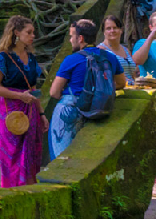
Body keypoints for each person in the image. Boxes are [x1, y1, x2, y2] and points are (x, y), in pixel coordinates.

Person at [44, 19, 128, 160]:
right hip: (99, 110)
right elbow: (121, 83)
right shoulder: (110, 57)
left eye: (72, 36)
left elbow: (53, 92)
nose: (71, 40)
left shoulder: (72, 59)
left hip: (71, 109)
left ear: (80, 38)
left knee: (61, 157)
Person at [0, 16, 44, 187]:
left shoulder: (31, 58)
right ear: (16, 33)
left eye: (33, 32)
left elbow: (33, 88)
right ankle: (12, 189)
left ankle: (29, 188)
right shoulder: (4, 58)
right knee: (13, 153)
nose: (33, 35)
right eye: (29, 32)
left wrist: (41, 114)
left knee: (31, 151)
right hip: (11, 110)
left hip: (31, 110)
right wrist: (20, 96)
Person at [99, 15, 142, 81]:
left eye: (115, 28)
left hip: (131, 88)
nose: (112, 31)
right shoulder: (101, 50)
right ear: (104, 32)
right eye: (108, 28)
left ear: (121, 30)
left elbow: (133, 74)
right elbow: (103, 75)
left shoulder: (126, 50)